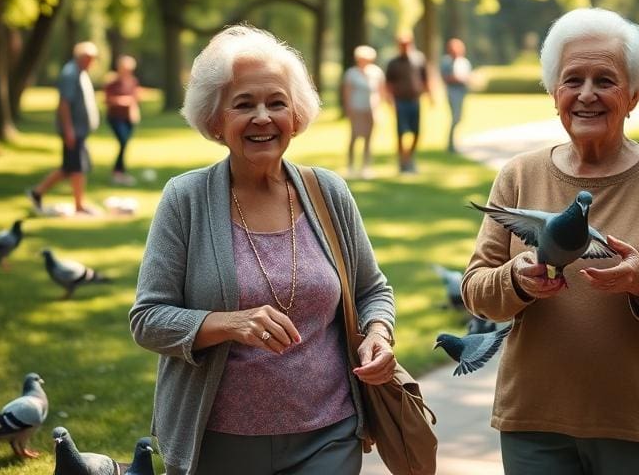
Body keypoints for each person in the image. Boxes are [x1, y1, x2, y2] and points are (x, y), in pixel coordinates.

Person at [461, 8, 639, 475]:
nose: (586, 94)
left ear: (634, 95)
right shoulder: (519, 176)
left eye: (605, 80)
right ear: (554, 93)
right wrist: (516, 280)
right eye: (572, 80)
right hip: (534, 423)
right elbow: (477, 291)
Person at [129, 24, 397, 475]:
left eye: (276, 103)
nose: (262, 118)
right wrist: (230, 323)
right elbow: (148, 319)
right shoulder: (186, 199)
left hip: (329, 432)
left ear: (296, 115)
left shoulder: (328, 191)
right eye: (244, 104)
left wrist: (378, 335)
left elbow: (373, 290)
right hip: (218, 441)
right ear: (216, 121)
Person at [26, 41, 100, 216]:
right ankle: (77, 205)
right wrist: (69, 130)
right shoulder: (70, 73)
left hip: (79, 130)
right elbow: (64, 104)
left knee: (71, 167)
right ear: (81, 57)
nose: (92, 62)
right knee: (75, 167)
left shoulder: (81, 72)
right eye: (89, 58)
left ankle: (38, 193)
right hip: (73, 131)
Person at [384, 33, 431, 174]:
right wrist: (389, 99)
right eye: (402, 44)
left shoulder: (419, 59)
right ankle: (402, 161)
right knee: (401, 132)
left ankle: (409, 158)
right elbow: (388, 83)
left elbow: (425, 78)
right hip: (400, 102)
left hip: (415, 100)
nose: (404, 47)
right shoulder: (393, 62)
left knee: (416, 132)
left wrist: (430, 95)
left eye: (407, 44)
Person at [342, 45, 385, 178]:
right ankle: (350, 166)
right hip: (356, 108)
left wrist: (378, 109)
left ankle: (366, 167)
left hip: (371, 109)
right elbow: (347, 92)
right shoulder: (351, 73)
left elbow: (380, 91)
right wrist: (348, 109)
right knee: (354, 137)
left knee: (368, 138)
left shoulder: (376, 72)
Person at [104, 54, 142, 186]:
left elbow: (135, 98)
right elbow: (107, 100)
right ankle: (117, 172)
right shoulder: (112, 82)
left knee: (124, 144)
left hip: (128, 118)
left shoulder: (133, 81)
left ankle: (120, 171)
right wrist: (124, 101)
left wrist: (134, 111)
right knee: (123, 141)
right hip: (115, 117)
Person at [439, 38, 472, 153]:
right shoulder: (446, 62)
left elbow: (468, 76)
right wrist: (456, 79)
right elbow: (445, 77)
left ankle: (454, 142)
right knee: (455, 117)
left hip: (462, 91)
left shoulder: (464, 62)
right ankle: (450, 143)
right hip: (452, 92)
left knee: (459, 118)